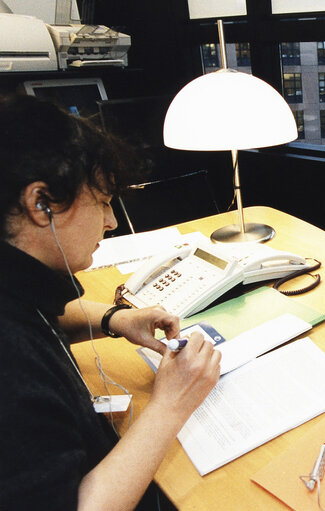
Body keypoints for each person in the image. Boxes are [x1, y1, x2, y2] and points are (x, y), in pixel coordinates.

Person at [0, 94, 221, 510]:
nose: (111, 222)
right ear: (40, 203)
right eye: (101, 202)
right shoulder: (10, 367)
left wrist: (115, 318)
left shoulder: (16, 284)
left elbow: (44, 315)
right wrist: (171, 405)